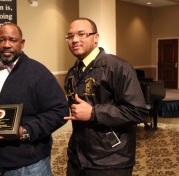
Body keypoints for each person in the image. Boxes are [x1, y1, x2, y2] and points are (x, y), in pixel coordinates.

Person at [0, 23, 69, 176]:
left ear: (22, 43)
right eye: (2, 40)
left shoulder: (38, 73)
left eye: (12, 40)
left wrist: (24, 131)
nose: (6, 45)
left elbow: (59, 111)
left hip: (28, 165)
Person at [64, 18, 149, 176]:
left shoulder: (118, 67)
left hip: (110, 160)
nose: (74, 40)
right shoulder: (72, 73)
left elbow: (138, 111)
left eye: (81, 34)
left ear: (95, 37)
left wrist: (94, 113)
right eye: (70, 36)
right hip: (78, 157)